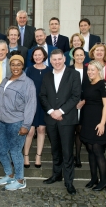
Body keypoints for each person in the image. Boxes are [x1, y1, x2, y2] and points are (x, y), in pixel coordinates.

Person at [39, 49, 81, 195]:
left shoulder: (73, 74)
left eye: (59, 59)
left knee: (67, 151)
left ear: (64, 59)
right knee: (55, 149)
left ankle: (69, 181)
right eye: (54, 60)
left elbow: (76, 96)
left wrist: (61, 111)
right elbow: (42, 96)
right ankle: (57, 175)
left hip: (67, 119)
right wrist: (52, 112)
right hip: (51, 119)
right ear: (50, 61)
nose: (57, 62)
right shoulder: (46, 76)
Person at [0, 54, 36, 190]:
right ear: (10, 65)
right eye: (13, 64)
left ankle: (20, 180)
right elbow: (2, 94)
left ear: (23, 65)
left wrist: (26, 125)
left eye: (19, 64)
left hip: (17, 122)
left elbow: (31, 105)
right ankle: (10, 174)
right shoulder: (6, 79)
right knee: (0, 149)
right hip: (2, 120)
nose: (15, 67)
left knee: (15, 151)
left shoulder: (27, 82)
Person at [80, 60, 106, 191]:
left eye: (93, 70)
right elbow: (87, 99)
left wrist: (102, 123)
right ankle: (94, 178)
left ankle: (104, 180)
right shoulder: (89, 83)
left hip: (98, 121)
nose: (90, 72)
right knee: (90, 150)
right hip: (87, 120)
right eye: (88, 70)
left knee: (98, 150)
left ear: (99, 70)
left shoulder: (103, 84)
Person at [24, 47, 52, 169]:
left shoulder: (50, 70)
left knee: (41, 130)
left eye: (39, 55)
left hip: (44, 104)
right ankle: (26, 156)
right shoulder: (29, 70)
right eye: (35, 55)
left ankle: (38, 156)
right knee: (30, 131)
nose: (37, 57)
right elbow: (25, 88)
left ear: (44, 56)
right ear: (33, 57)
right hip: (31, 103)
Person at [69, 47, 90, 168]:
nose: (79, 57)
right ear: (73, 56)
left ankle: (78, 156)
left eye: (81, 55)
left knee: (80, 130)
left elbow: (92, 87)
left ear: (84, 56)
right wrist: (74, 102)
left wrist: (84, 101)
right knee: (71, 130)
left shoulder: (88, 70)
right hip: (71, 105)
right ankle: (70, 155)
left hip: (85, 105)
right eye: (77, 55)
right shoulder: (69, 69)